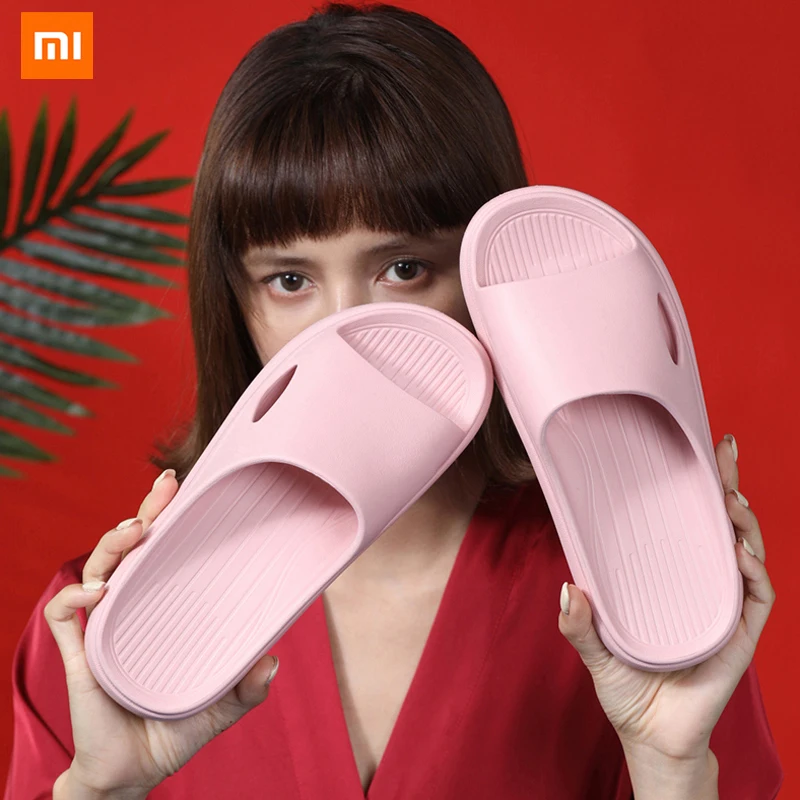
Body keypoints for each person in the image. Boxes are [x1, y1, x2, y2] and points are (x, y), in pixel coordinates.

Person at [4, 3, 784, 798]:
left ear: (484, 282)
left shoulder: (636, 606)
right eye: (290, 280)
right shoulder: (101, 636)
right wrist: (99, 789)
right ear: (235, 302)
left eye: (405, 269)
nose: (347, 332)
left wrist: (672, 766)